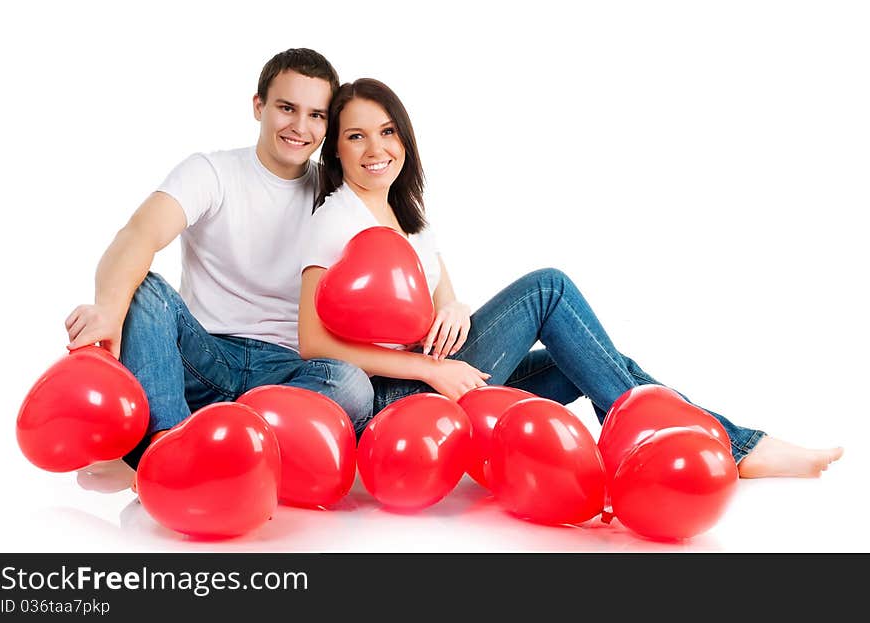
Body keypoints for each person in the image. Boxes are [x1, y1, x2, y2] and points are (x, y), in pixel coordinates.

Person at [298, 78, 843, 478]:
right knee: (549, 290)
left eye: (387, 131)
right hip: (404, 402)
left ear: (404, 137)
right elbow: (312, 341)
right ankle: (713, 445)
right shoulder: (336, 218)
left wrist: (456, 307)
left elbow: (441, 295)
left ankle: (710, 444)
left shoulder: (407, 215)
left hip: (446, 375)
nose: (376, 150)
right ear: (336, 149)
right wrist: (427, 369)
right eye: (356, 137)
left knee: (587, 355)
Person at [64, 49, 374, 473]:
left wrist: (448, 302)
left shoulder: (337, 196)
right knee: (146, 289)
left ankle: (226, 440)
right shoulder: (211, 172)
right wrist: (107, 309)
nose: (300, 127)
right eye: (287, 108)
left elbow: (401, 244)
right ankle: (167, 449)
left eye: (316, 115)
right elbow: (139, 234)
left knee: (352, 385)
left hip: (286, 371)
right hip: (205, 356)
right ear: (258, 106)